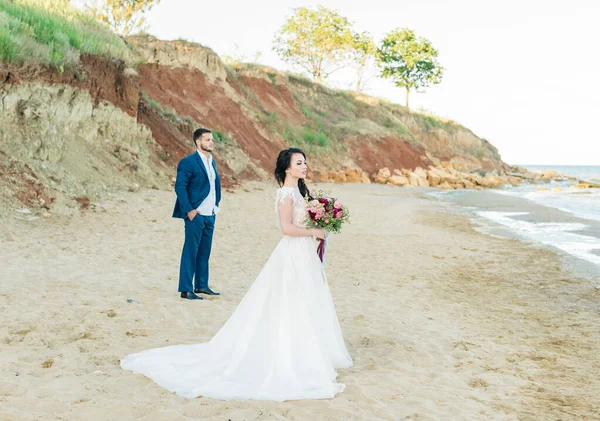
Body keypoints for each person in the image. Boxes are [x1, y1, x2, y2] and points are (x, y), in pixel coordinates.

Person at [121, 147, 352, 401]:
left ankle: (307, 351)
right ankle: (293, 354)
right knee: (290, 301)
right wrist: (313, 232)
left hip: (304, 253)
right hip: (293, 252)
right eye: (300, 162)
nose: (304, 166)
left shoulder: (299, 191)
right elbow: (286, 228)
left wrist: (321, 223)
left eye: (305, 162)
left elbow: (302, 221)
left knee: (306, 300)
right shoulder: (286, 194)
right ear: (288, 167)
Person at [172, 128, 221, 300]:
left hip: (210, 214)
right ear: (198, 142)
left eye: (212, 139)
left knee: (204, 252)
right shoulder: (188, 162)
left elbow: (214, 186)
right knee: (191, 251)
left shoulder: (211, 162)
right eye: (207, 140)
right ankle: (186, 289)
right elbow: (180, 187)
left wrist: (216, 207)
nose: (211, 142)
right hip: (196, 214)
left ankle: (201, 285)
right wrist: (190, 211)